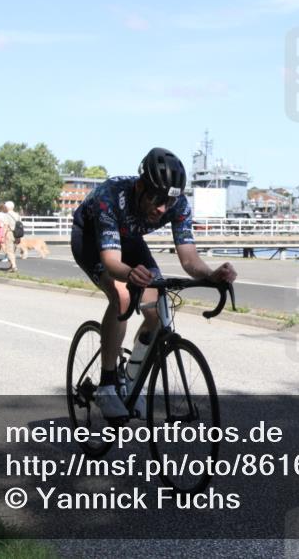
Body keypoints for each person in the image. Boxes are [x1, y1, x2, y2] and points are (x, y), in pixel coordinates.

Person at [70, 148, 236, 419]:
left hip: (130, 239)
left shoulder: (177, 204)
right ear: (140, 186)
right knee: (122, 297)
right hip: (91, 239)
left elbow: (189, 259)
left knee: (157, 309)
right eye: (156, 199)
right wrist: (128, 274)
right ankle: (108, 385)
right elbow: (112, 261)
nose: (162, 209)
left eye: (168, 203)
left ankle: (130, 376)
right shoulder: (110, 198)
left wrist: (210, 274)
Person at [1, 201, 20, 272]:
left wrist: (2, 235)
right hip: (17, 234)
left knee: (9, 251)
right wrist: (19, 237)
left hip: (10, 233)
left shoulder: (7, 215)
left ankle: (14, 266)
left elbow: (5, 226)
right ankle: (11, 266)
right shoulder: (17, 215)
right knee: (13, 250)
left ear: (7, 207)